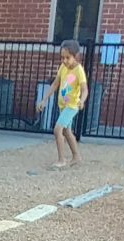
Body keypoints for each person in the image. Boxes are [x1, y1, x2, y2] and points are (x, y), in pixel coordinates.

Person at [37, 39, 88, 169]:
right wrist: (44, 99)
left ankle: (61, 159)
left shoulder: (79, 71)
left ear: (75, 56)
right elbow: (55, 84)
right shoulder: (63, 67)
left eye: (67, 57)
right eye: (62, 57)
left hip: (72, 106)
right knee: (66, 131)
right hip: (63, 105)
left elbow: (84, 89)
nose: (64, 60)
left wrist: (81, 101)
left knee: (58, 129)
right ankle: (76, 156)